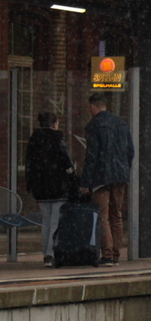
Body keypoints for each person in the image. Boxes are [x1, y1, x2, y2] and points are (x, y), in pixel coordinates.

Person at [80, 93, 135, 266]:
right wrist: (124, 170)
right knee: (116, 216)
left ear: (93, 106)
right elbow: (130, 151)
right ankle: (117, 254)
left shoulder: (94, 126)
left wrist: (85, 183)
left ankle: (108, 255)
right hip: (120, 176)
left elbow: (91, 157)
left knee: (102, 216)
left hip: (101, 177)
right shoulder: (121, 123)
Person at [25, 112, 75, 267]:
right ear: (54, 124)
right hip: (57, 186)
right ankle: (51, 253)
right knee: (55, 222)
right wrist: (71, 173)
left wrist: (31, 183)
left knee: (46, 222)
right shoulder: (56, 137)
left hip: (41, 187)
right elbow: (65, 159)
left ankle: (46, 254)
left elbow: (29, 163)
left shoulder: (34, 139)